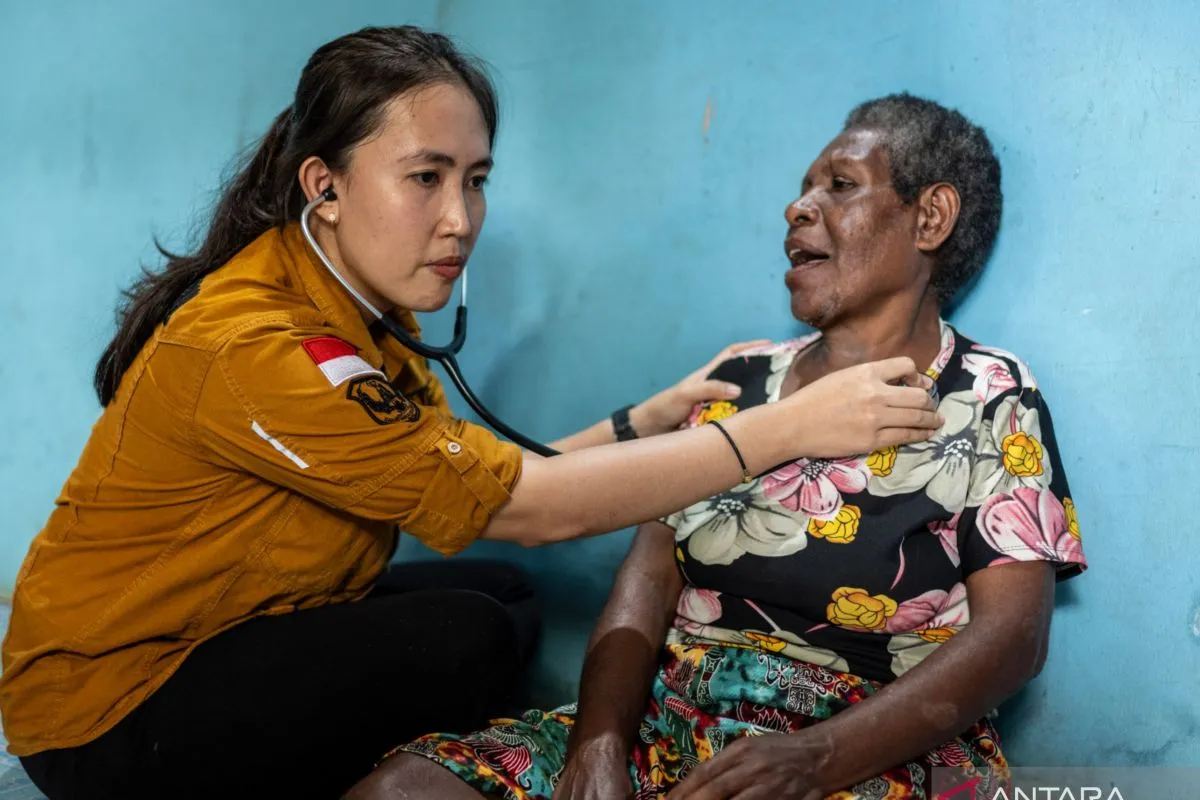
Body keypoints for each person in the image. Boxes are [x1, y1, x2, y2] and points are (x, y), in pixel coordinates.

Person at [0, 28, 943, 800]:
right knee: (467, 637)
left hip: (242, 626)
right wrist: (786, 428)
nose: (460, 218)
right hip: (111, 707)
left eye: (477, 179)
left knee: (508, 597)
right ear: (324, 187)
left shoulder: (361, 313)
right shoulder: (259, 346)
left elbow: (466, 476)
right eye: (427, 177)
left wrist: (640, 422)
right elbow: (526, 506)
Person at [351, 94, 1088, 800]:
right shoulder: (738, 380)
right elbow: (646, 581)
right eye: (803, 188)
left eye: (840, 185)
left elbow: (1013, 639)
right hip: (674, 718)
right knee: (405, 788)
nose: (798, 207)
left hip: (867, 744)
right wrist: (598, 744)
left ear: (930, 217)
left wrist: (816, 758)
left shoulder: (988, 393)